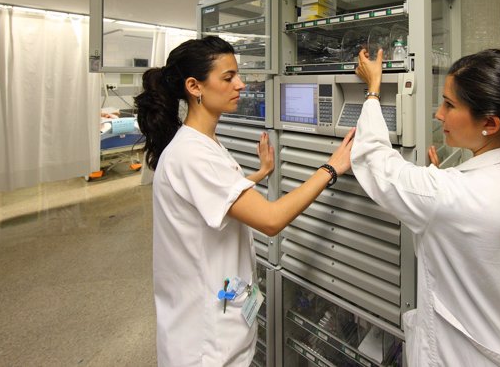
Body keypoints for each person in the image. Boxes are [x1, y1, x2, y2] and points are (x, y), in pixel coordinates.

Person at [352, 47, 500, 366]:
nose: (439, 114)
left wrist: (373, 88)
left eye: (449, 104)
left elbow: (373, 160)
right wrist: (437, 179)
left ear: (490, 123)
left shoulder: (455, 195)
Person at [134, 36, 354, 367]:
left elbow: (216, 197)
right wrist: (330, 168)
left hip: (217, 325)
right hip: (205, 346)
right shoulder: (192, 155)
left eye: (238, 74)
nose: (240, 84)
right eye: (228, 77)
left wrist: (261, 173)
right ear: (195, 86)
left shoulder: (200, 144)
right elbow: (270, 219)